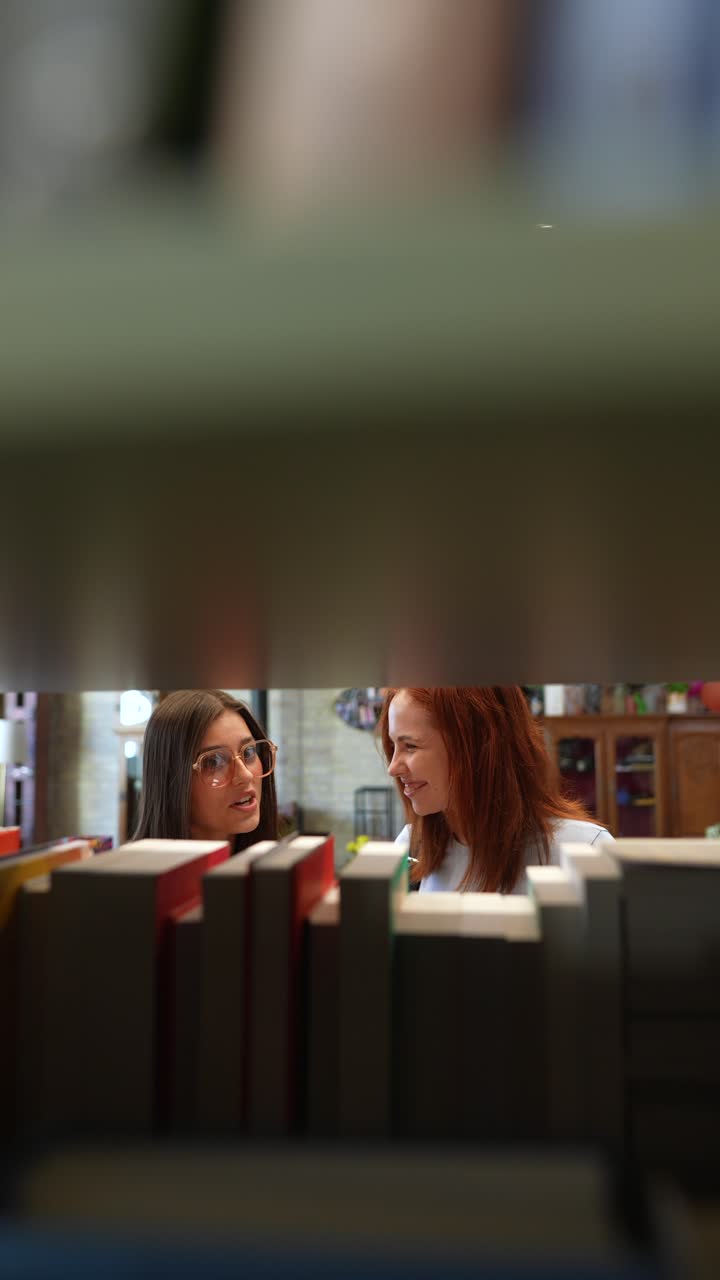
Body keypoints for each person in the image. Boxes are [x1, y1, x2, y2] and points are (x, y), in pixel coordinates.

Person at [379, 686, 613, 894]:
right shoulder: (411, 849)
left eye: (410, 746)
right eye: (393, 746)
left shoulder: (586, 852)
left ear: (476, 748)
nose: (393, 768)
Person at [133, 690, 279, 851]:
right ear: (171, 781)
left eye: (249, 752)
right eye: (214, 761)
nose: (245, 775)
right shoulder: (136, 873)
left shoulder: (276, 870)